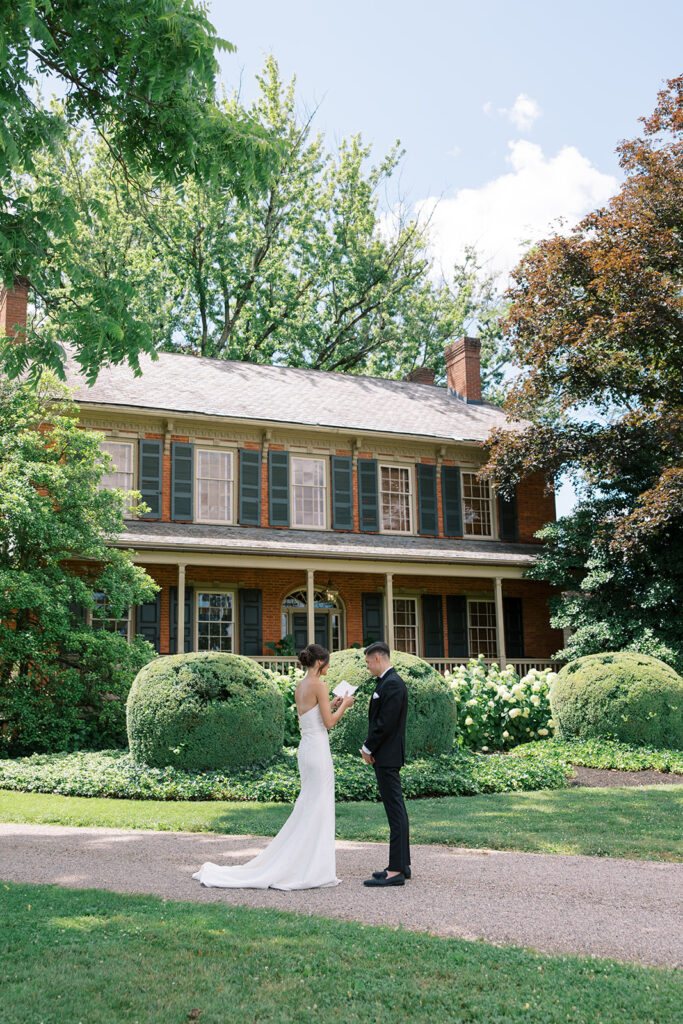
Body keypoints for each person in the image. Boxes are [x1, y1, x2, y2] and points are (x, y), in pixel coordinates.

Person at [192, 643, 354, 890]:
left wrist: (331, 703)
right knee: (318, 805)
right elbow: (329, 724)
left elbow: (315, 715)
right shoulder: (319, 684)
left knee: (311, 803)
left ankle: (307, 861)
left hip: (306, 748)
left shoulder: (302, 685)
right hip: (318, 750)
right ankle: (310, 866)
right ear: (320, 663)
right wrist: (344, 705)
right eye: (327, 662)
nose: (329, 667)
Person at [360, 641, 411, 886]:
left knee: (395, 811)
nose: (368, 666)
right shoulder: (389, 682)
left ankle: (396, 871)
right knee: (397, 809)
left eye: (369, 662)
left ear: (378, 658)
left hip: (387, 756)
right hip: (388, 755)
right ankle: (402, 864)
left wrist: (368, 747)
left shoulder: (392, 684)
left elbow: (385, 723)